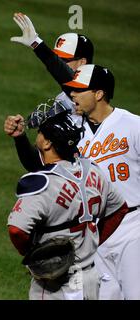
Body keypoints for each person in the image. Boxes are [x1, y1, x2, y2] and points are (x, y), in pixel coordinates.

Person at [7, 99, 129, 300]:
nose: (37, 136)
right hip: (90, 278)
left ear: (47, 143)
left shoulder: (42, 183)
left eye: (39, 133)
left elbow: (16, 230)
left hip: (57, 286)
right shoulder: (93, 171)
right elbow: (119, 210)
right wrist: (93, 242)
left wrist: (31, 254)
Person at [64, 64, 140, 299]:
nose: (72, 94)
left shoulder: (133, 125)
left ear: (99, 94)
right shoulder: (73, 132)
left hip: (132, 227)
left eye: (79, 90)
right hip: (93, 233)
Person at [5, 12, 94, 171]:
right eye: (56, 58)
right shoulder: (62, 101)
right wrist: (20, 138)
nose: (57, 63)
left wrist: (37, 44)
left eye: (63, 60)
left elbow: (69, 80)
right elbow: (37, 165)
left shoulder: (94, 98)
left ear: (82, 63)